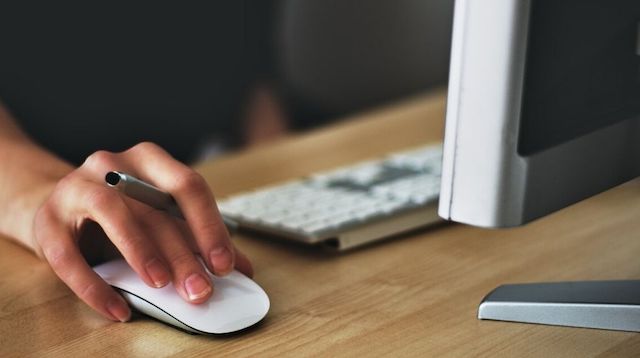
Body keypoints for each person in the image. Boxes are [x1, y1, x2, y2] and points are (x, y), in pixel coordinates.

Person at [0, 2, 282, 323]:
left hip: (195, 190)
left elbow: (256, 81)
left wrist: (275, 191)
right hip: (54, 178)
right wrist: (43, 197)